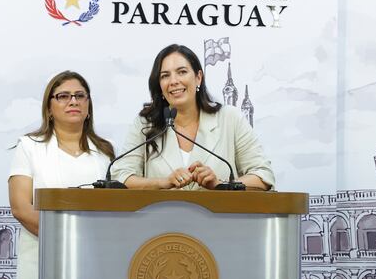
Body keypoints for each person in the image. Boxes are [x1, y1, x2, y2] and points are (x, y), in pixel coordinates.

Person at [8, 71, 114, 279]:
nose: (73, 101)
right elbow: (20, 207)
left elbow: (113, 212)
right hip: (42, 275)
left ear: (89, 105)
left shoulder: (105, 154)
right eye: (63, 96)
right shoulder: (29, 147)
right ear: (49, 107)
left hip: (94, 275)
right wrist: (68, 243)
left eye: (80, 95)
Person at [111, 44, 274, 191]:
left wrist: (221, 184)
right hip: (160, 222)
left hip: (220, 223)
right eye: (165, 75)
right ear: (159, 85)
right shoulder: (145, 123)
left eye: (182, 72)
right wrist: (163, 183)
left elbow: (263, 176)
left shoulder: (229, 118)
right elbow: (120, 177)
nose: (174, 81)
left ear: (198, 78)